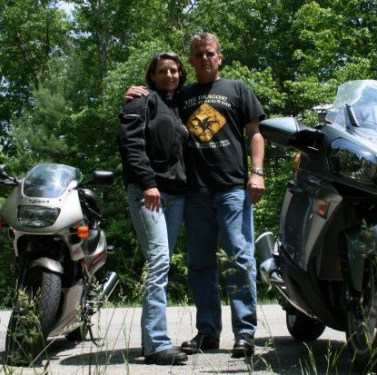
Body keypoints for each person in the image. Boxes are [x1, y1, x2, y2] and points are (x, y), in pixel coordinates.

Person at [125, 32, 266, 358]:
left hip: (232, 189)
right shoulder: (182, 95)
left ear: (220, 57)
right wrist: (135, 93)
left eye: (210, 53)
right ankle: (208, 332)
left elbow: (255, 134)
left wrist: (257, 173)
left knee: (240, 260)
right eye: (199, 54)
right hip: (195, 193)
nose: (204, 58)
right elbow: (153, 104)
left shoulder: (237, 89)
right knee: (200, 265)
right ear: (191, 60)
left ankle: (245, 333)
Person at [117, 51, 189, 365]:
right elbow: (130, 144)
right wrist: (148, 182)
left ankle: (151, 343)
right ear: (153, 75)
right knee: (159, 262)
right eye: (163, 71)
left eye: (174, 70)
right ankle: (158, 344)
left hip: (175, 195)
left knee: (160, 263)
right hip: (149, 193)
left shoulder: (179, 106)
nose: (170, 75)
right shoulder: (140, 101)